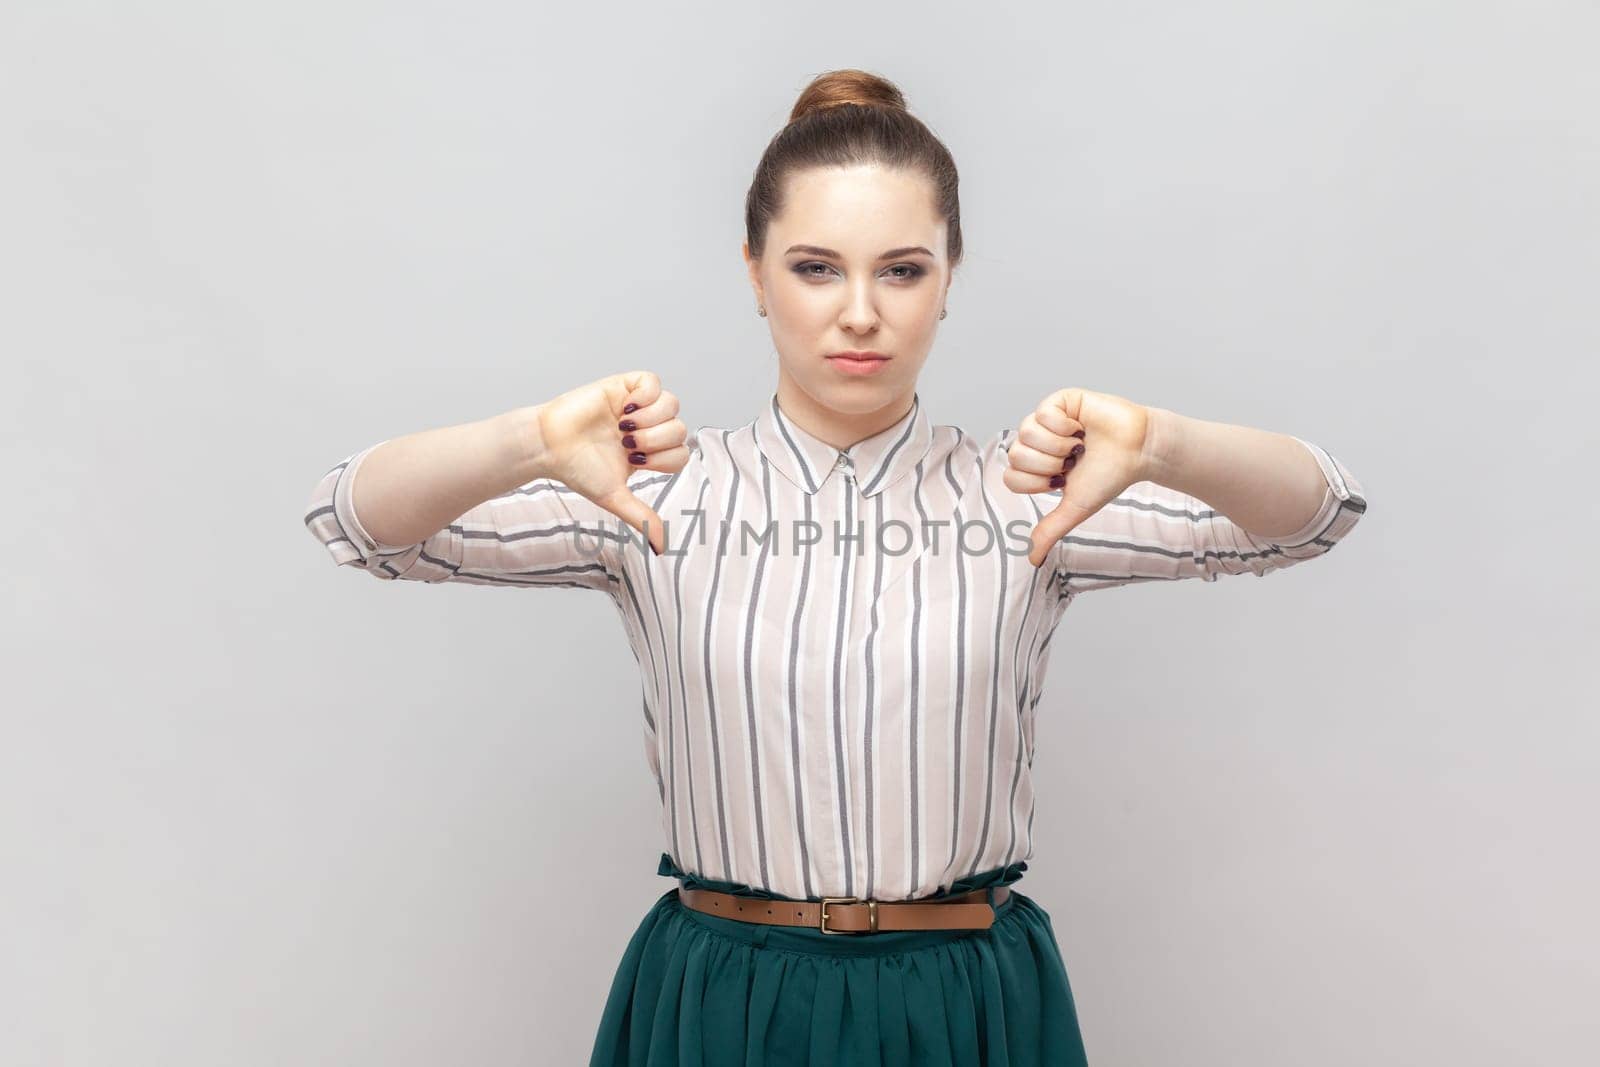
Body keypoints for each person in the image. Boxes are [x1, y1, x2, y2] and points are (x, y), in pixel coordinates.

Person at [302, 68, 1367, 1067]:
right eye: (816, 266)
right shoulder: (649, 495)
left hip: (966, 995)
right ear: (756, 274)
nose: (860, 311)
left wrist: (1164, 441)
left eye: (902, 269)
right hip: (724, 990)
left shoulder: (1032, 495)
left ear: (949, 281)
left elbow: (1314, 513)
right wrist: (530, 440)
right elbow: (356, 519)